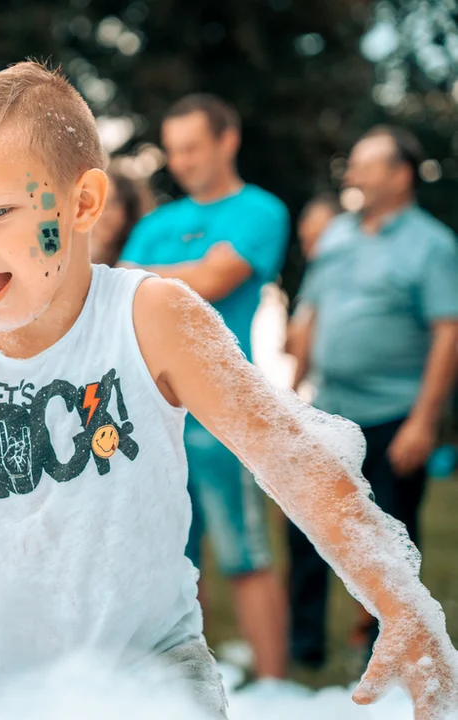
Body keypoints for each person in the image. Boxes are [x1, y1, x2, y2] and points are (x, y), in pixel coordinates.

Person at [0, 61, 458, 720]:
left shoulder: (149, 317)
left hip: (152, 684)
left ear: (81, 204)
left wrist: (397, 599)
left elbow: (289, 454)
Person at [118, 94, 290, 682]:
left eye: (192, 147)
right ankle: (193, 684)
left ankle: (274, 687)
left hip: (224, 411)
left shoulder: (260, 211)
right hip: (153, 413)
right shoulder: (156, 223)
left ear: (227, 140)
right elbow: (122, 292)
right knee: (171, 564)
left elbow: (218, 280)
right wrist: (180, 277)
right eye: (173, 150)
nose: (181, 161)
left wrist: (152, 278)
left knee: (245, 553)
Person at [287, 126, 458, 668]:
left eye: (365, 165)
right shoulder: (336, 235)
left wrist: (423, 421)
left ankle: (387, 653)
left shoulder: (433, 245)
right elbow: (310, 310)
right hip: (328, 409)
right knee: (308, 532)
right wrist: (294, 385)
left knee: (389, 545)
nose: (353, 174)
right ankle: (303, 651)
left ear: (401, 174)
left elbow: (448, 332)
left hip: (394, 414)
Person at [287, 193, 343, 396]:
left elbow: (302, 335)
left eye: (318, 238)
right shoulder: (316, 275)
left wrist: (292, 393)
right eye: (307, 241)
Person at [89, 168, 154, 267]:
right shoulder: (75, 254)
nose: (104, 215)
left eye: (112, 204)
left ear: (129, 209)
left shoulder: (144, 250)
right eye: (98, 205)